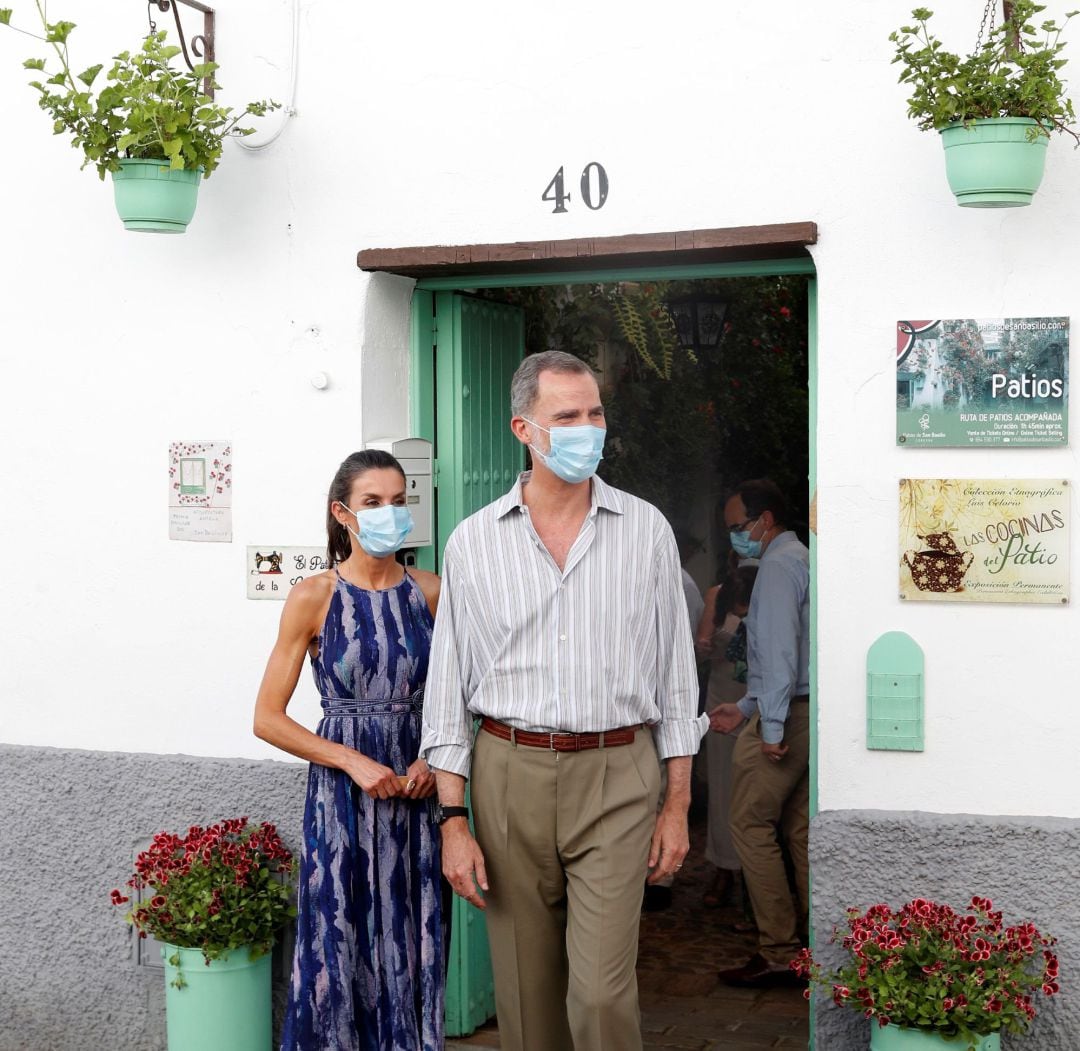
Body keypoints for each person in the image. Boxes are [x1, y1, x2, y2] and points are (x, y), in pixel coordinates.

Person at [420, 350, 705, 1051]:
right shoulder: (472, 544)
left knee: (602, 995)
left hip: (618, 771)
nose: (587, 429)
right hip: (508, 770)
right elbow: (448, 691)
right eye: (567, 416)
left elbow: (675, 679)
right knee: (526, 996)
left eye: (595, 413)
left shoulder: (646, 530)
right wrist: (453, 819)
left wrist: (677, 803)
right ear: (525, 428)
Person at [253, 450, 445, 1051]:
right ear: (343, 513)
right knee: (339, 941)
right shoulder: (314, 596)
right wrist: (352, 760)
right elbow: (266, 718)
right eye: (372, 502)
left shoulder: (434, 593)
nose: (389, 513)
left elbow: (459, 698)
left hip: (417, 796)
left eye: (398, 500)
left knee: (412, 943)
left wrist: (432, 759)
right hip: (340, 800)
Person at [710, 478, 810, 988]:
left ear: (764, 519)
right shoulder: (801, 558)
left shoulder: (774, 565)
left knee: (749, 827)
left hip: (787, 715)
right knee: (798, 830)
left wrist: (768, 725)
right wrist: (748, 705)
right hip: (801, 708)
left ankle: (778, 949)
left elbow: (779, 652)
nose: (734, 536)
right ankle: (819, 948)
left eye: (737, 526)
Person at [696, 564, 757, 910]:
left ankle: (754, 874)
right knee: (721, 789)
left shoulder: (766, 590)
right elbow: (702, 642)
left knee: (751, 793)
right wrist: (707, 646)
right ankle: (723, 868)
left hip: (755, 700)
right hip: (722, 698)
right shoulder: (716, 595)